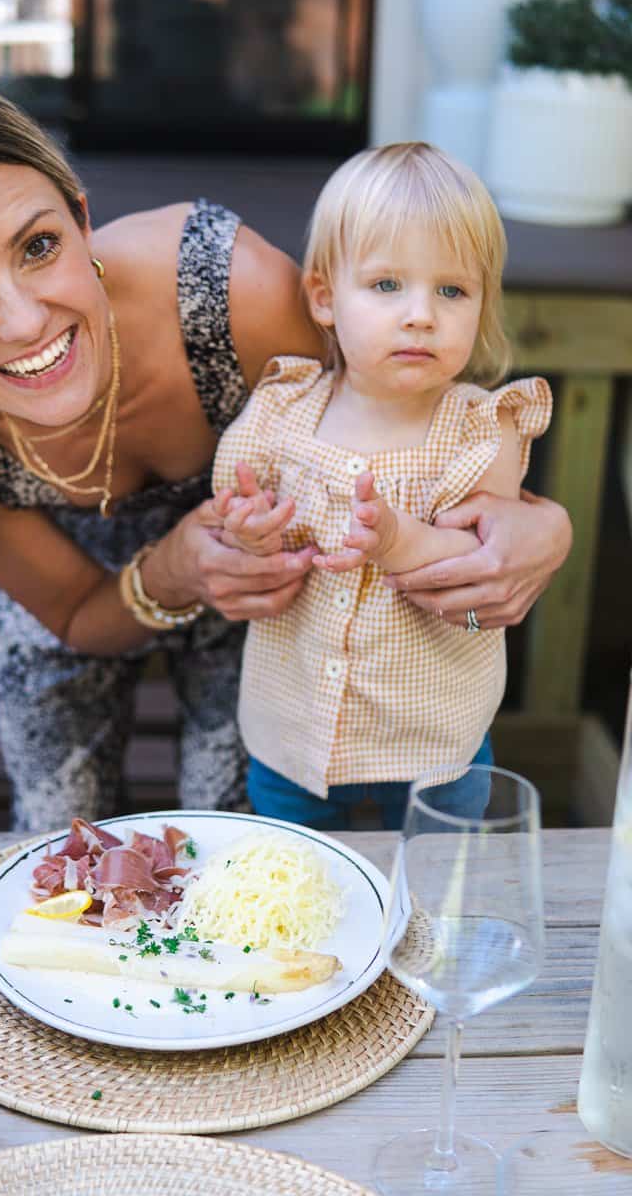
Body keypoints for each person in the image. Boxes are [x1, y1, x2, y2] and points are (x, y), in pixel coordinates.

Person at [0, 85, 571, 833]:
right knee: (57, 833)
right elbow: (77, 615)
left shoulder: (229, 293)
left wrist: (544, 525)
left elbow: (395, 421)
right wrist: (172, 569)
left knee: (234, 833)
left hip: (262, 588)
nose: (24, 322)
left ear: (82, 220)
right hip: (88, 604)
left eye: (39, 247)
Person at [211, 142, 552, 830]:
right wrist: (251, 532)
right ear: (324, 298)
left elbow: (477, 561)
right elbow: (236, 523)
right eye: (387, 285)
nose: (421, 314)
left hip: (432, 743)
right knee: (297, 869)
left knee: (435, 870)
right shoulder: (282, 410)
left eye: (451, 290)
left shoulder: (481, 430)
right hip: (293, 730)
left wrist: (396, 539)